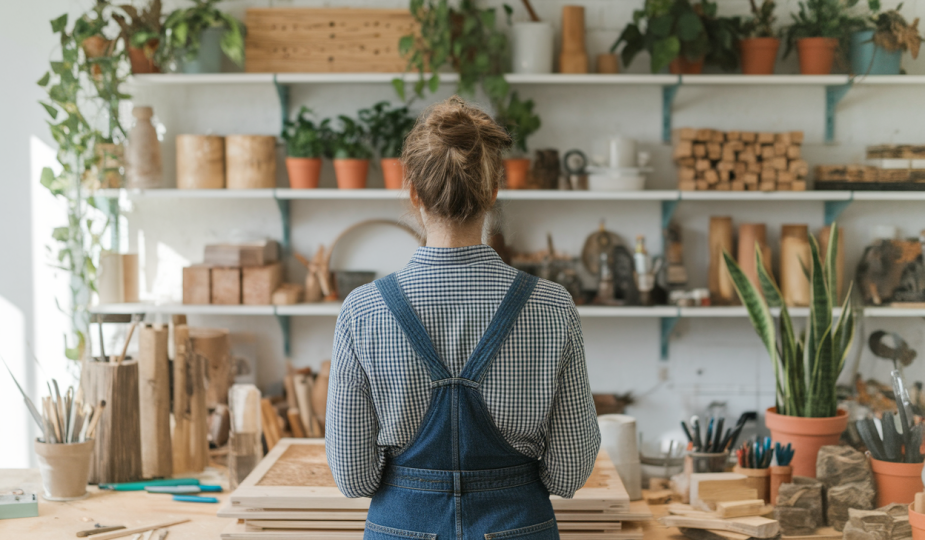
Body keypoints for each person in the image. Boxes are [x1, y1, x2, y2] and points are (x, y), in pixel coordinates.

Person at [326, 96, 600, 540]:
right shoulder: (552, 306)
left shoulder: (363, 311)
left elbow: (353, 478)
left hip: (403, 528)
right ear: (493, 191)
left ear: (413, 191)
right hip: (518, 526)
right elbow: (569, 474)